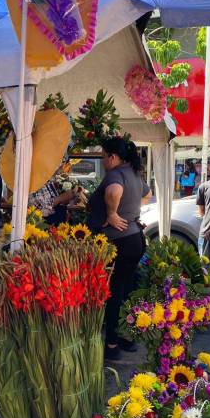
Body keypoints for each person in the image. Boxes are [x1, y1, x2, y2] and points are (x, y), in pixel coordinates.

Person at [87, 137, 151, 361]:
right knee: (124, 291)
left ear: (112, 157)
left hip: (119, 243)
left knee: (113, 293)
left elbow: (113, 192)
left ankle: (112, 344)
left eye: (104, 156)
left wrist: (113, 213)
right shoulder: (132, 172)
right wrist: (131, 212)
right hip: (134, 239)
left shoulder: (115, 174)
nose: (104, 161)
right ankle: (126, 337)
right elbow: (147, 194)